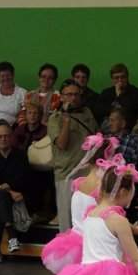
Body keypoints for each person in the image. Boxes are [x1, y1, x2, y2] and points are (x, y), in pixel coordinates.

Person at [48, 80, 98, 231]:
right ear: (62, 97)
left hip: (87, 174)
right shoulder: (55, 118)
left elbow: (96, 136)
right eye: (69, 94)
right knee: (67, 222)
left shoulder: (87, 113)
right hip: (66, 174)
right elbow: (61, 144)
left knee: (88, 219)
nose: (73, 98)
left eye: (76, 94)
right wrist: (66, 120)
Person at [0, 122, 29, 263]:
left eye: (6, 136)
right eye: (0, 136)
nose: (3, 139)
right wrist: (3, 188)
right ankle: (11, 235)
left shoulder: (20, 155)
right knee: (0, 199)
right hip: (2, 198)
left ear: (12, 137)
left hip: (19, 196)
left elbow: (21, 179)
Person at [95, 63, 138, 129]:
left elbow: (130, 111)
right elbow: (99, 111)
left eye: (122, 77)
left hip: (129, 126)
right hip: (109, 127)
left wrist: (119, 96)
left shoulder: (136, 92)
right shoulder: (106, 93)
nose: (120, 80)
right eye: (116, 78)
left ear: (127, 78)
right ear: (112, 80)